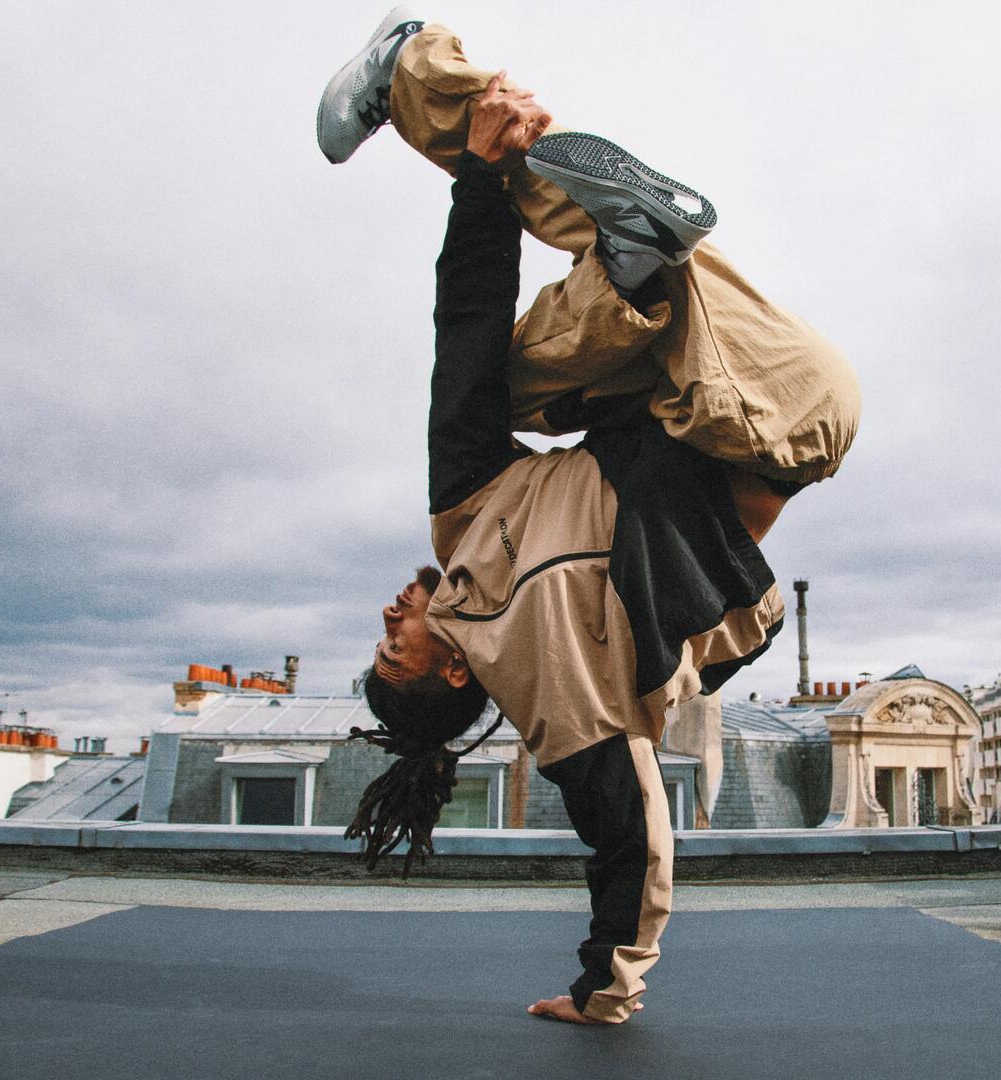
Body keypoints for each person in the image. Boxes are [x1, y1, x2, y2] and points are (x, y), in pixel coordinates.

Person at [317, 7, 860, 1026]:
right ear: (443, 671)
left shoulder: (496, 570)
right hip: (753, 409)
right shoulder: (539, 669)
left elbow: (467, 345)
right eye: (394, 643)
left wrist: (610, 985)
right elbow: (633, 835)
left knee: (543, 339)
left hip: (767, 387)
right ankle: (421, 82)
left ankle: (618, 242)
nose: (392, 610)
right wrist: (607, 990)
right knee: (511, 355)